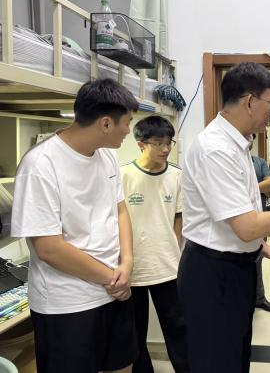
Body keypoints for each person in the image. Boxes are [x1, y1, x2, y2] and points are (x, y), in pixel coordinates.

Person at [178, 62, 270, 373]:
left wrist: (260, 246)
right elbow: (245, 227)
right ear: (249, 101)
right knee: (216, 361)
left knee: (234, 355)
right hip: (213, 273)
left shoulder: (236, 144)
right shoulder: (216, 149)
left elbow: (235, 216)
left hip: (233, 267)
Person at [11, 78, 140, 373]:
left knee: (122, 366)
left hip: (114, 290)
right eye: (127, 123)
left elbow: (120, 210)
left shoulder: (107, 155)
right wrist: (112, 279)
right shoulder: (40, 165)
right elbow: (49, 249)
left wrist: (127, 262)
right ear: (106, 123)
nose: (128, 130)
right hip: (67, 303)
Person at [120, 115, 189, 373]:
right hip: (133, 267)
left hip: (168, 266)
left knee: (179, 328)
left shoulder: (177, 175)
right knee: (135, 332)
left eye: (169, 142)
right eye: (158, 143)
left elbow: (178, 218)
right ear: (141, 144)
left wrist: (175, 250)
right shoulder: (123, 175)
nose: (165, 149)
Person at [249, 134, 270, 313]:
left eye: (251, 137)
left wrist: (246, 188)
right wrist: (257, 188)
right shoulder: (229, 161)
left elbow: (269, 183)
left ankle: (259, 298)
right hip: (236, 221)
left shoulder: (259, 162)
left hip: (259, 218)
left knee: (258, 258)